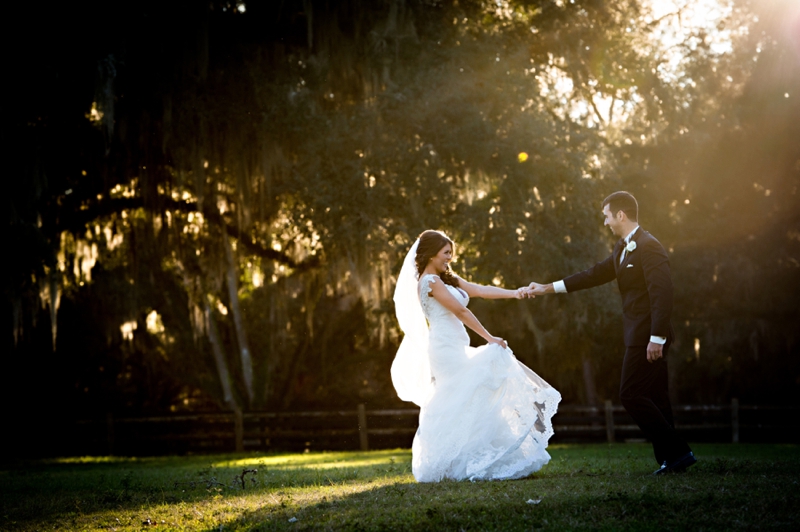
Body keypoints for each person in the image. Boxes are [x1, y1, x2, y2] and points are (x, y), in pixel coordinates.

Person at [525, 191, 696, 475]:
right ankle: (672, 460)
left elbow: (662, 295)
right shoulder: (621, 248)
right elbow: (592, 275)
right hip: (637, 334)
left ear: (621, 215)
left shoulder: (649, 246)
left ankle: (678, 451)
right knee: (656, 397)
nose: (605, 222)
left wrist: (657, 337)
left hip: (648, 337)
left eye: (606, 216)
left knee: (630, 394)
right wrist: (546, 288)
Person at [392, 229, 561, 482]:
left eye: (451, 253)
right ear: (430, 254)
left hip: (456, 344)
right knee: (462, 394)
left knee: (468, 396)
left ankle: (472, 456)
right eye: (446, 253)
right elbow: (460, 311)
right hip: (444, 348)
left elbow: (480, 290)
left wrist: (515, 293)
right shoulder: (430, 282)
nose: (449, 258)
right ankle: (451, 461)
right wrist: (490, 338)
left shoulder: (444, 279)